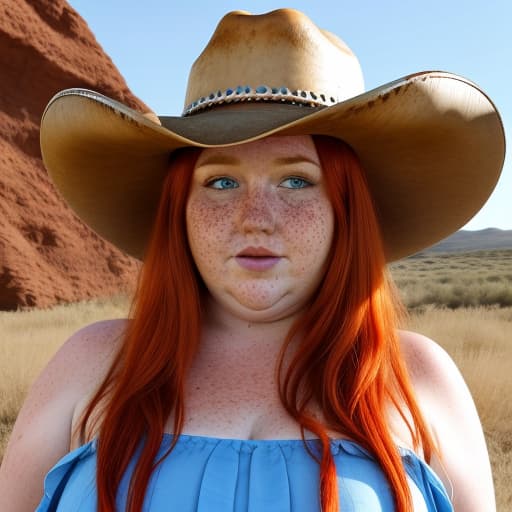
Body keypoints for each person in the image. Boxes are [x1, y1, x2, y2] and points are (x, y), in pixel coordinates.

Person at [0, 8, 504, 512]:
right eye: (221, 182)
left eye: (297, 180)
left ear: (344, 210)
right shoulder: (92, 365)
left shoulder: (417, 379)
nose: (255, 218)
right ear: (181, 210)